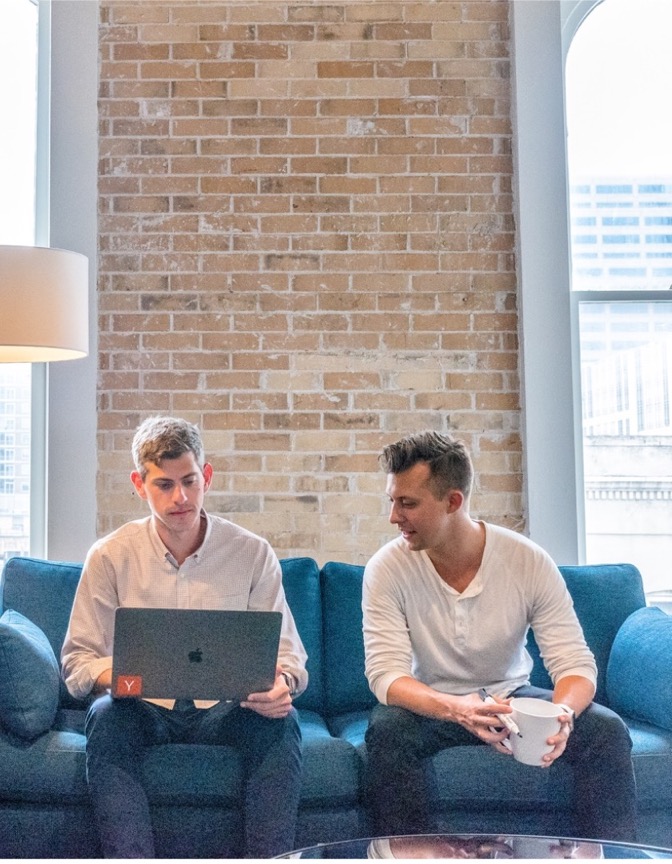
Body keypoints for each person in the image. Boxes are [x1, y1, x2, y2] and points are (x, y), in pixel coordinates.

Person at [362, 430, 636, 842]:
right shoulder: (387, 568)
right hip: (432, 703)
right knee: (387, 730)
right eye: (392, 501)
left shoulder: (527, 561)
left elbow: (574, 663)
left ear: (453, 502)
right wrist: (458, 709)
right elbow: (386, 675)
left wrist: (561, 715)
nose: (393, 516)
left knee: (606, 730)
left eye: (408, 503)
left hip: (511, 698)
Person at [61, 416, 307, 858]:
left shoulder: (251, 553)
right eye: (164, 485)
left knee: (282, 723)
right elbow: (77, 662)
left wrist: (282, 685)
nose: (181, 497)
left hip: (228, 709)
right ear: (139, 485)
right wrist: (123, 675)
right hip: (142, 707)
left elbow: (289, 657)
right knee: (105, 715)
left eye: (190, 481)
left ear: (206, 477)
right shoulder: (109, 556)